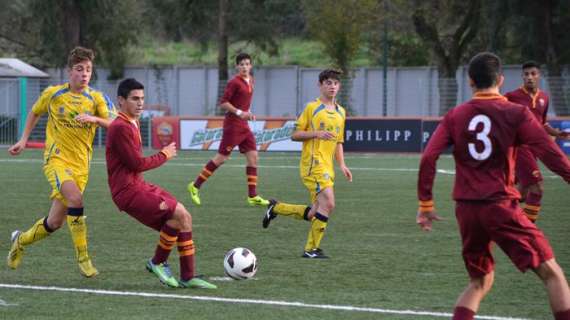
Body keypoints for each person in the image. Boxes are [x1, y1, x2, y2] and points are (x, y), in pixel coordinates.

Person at [417, 52, 570, 320]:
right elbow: (549, 152)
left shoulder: (455, 115)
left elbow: (429, 156)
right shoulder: (516, 112)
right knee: (552, 273)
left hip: (466, 209)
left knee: (480, 281)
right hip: (500, 205)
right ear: (500, 79)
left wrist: (426, 204)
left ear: (470, 82)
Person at [7, 46, 115, 278]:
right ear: (69, 72)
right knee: (76, 198)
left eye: (88, 69)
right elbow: (35, 112)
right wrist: (23, 140)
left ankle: (20, 240)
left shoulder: (96, 99)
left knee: (55, 222)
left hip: (81, 167)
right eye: (79, 69)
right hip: (56, 160)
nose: (84, 74)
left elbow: (114, 125)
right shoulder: (54, 94)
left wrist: (95, 118)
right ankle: (84, 258)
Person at [106, 78, 216, 289]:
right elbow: (136, 163)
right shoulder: (120, 127)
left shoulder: (131, 122)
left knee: (183, 217)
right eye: (134, 99)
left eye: (142, 99)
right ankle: (158, 262)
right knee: (177, 215)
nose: (140, 103)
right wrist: (164, 155)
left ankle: (187, 276)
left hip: (138, 185)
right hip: (128, 192)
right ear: (121, 100)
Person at [262, 69, 352, 259]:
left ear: (339, 86)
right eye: (328, 83)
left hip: (328, 167)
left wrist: (342, 165)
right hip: (313, 165)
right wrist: (316, 133)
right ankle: (311, 249)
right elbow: (294, 135)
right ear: (320, 85)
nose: (332, 86)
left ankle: (276, 208)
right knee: (329, 203)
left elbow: (339, 141)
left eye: (335, 83)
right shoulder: (312, 108)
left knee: (315, 212)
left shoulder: (341, 112)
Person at [187, 53, 269, 207]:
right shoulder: (234, 82)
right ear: (237, 66)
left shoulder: (251, 80)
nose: (244, 67)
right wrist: (240, 113)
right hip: (233, 125)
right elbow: (223, 102)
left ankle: (252, 196)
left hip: (244, 125)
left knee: (253, 157)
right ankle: (195, 186)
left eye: (247, 64)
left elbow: (244, 103)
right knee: (221, 158)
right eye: (242, 64)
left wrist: (247, 114)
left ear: (251, 66)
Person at [504, 61, 570, 223]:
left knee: (523, 192)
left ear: (539, 76)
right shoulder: (511, 97)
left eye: (533, 74)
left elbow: (543, 123)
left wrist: (558, 133)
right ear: (522, 76)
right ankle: (526, 227)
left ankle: (501, 212)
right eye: (526, 74)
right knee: (537, 188)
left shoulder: (544, 98)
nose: (530, 77)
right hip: (520, 147)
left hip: (536, 148)